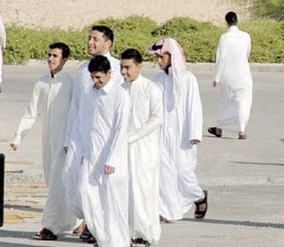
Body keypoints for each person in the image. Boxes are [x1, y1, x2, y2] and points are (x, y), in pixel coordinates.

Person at [9, 42, 77, 240]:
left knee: (57, 182)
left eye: (55, 56)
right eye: (49, 55)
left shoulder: (71, 84)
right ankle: (76, 222)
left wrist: (73, 140)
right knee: (52, 180)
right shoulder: (41, 83)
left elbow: (77, 114)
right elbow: (31, 113)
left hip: (65, 141)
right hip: (48, 140)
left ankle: (49, 227)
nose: (51, 59)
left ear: (64, 59)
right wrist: (18, 136)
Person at [63, 25, 124, 243]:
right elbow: (76, 106)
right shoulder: (82, 70)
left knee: (101, 187)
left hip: (105, 140)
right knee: (71, 180)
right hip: (80, 136)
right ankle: (90, 220)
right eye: (89, 38)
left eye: (96, 39)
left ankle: (99, 229)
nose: (91, 42)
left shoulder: (117, 69)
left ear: (108, 43)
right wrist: (69, 137)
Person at [148, 38, 209, 221]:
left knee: (183, 172)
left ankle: (199, 196)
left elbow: (194, 106)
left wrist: (195, 133)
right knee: (164, 173)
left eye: (162, 57)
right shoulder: (157, 80)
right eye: (157, 58)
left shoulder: (187, 79)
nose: (159, 61)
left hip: (182, 135)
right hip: (161, 134)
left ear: (172, 56)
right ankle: (166, 211)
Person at [77, 56, 131, 247]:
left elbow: (120, 129)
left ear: (110, 73)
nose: (96, 81)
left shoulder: (120, 95)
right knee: (87, 195)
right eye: (93, 77)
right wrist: (83, 152)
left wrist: (112, 159)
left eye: (99, 77)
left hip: (112, 159)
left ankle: (118, 242)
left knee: (113, 203)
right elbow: (83, 124)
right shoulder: (89, 93)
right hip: (91, 156)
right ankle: (103, 238)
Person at [120, 49, 164, 247]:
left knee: (143, 192)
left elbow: (157, 118)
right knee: (123, 193)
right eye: (122, 67)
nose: (124, 72)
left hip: (144, 151)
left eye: (128, 68)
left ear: (139, 67)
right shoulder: (119, 89)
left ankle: (144, 235)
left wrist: (133, 136)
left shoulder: (150, 89)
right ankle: (123, 234)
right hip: (122, 151)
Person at [208, 11, 253, 140]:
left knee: (225, 102)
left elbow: (220, 58)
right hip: (244, 75)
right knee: (243, 102)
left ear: (226, 22)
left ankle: (219, 128)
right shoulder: (246, 36)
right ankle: (242, 130)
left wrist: (216, 77)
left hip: (228, 76)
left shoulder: (225, 38)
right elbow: (247, 53)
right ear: (237, 21)